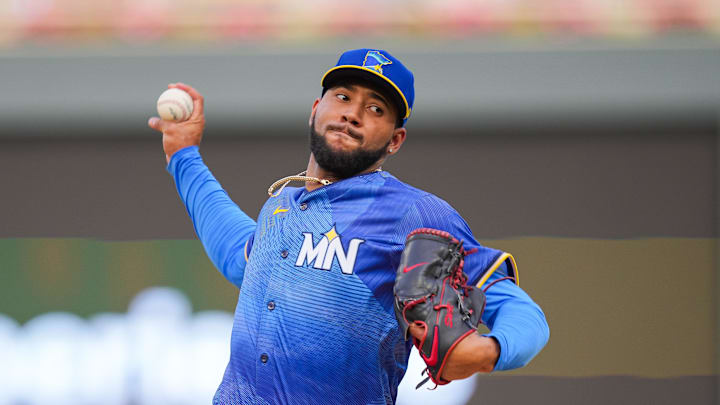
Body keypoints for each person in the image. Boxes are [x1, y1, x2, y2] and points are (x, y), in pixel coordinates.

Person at [148, 48, 549, 405]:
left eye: (376, 109)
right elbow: (240, 255)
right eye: (342, 97)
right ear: (315, 110)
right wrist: (184, 157)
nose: (352, 114)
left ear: (395, 140)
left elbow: (518, 309)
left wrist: (489, 351)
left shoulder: (415, 214)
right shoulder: (282, 206)